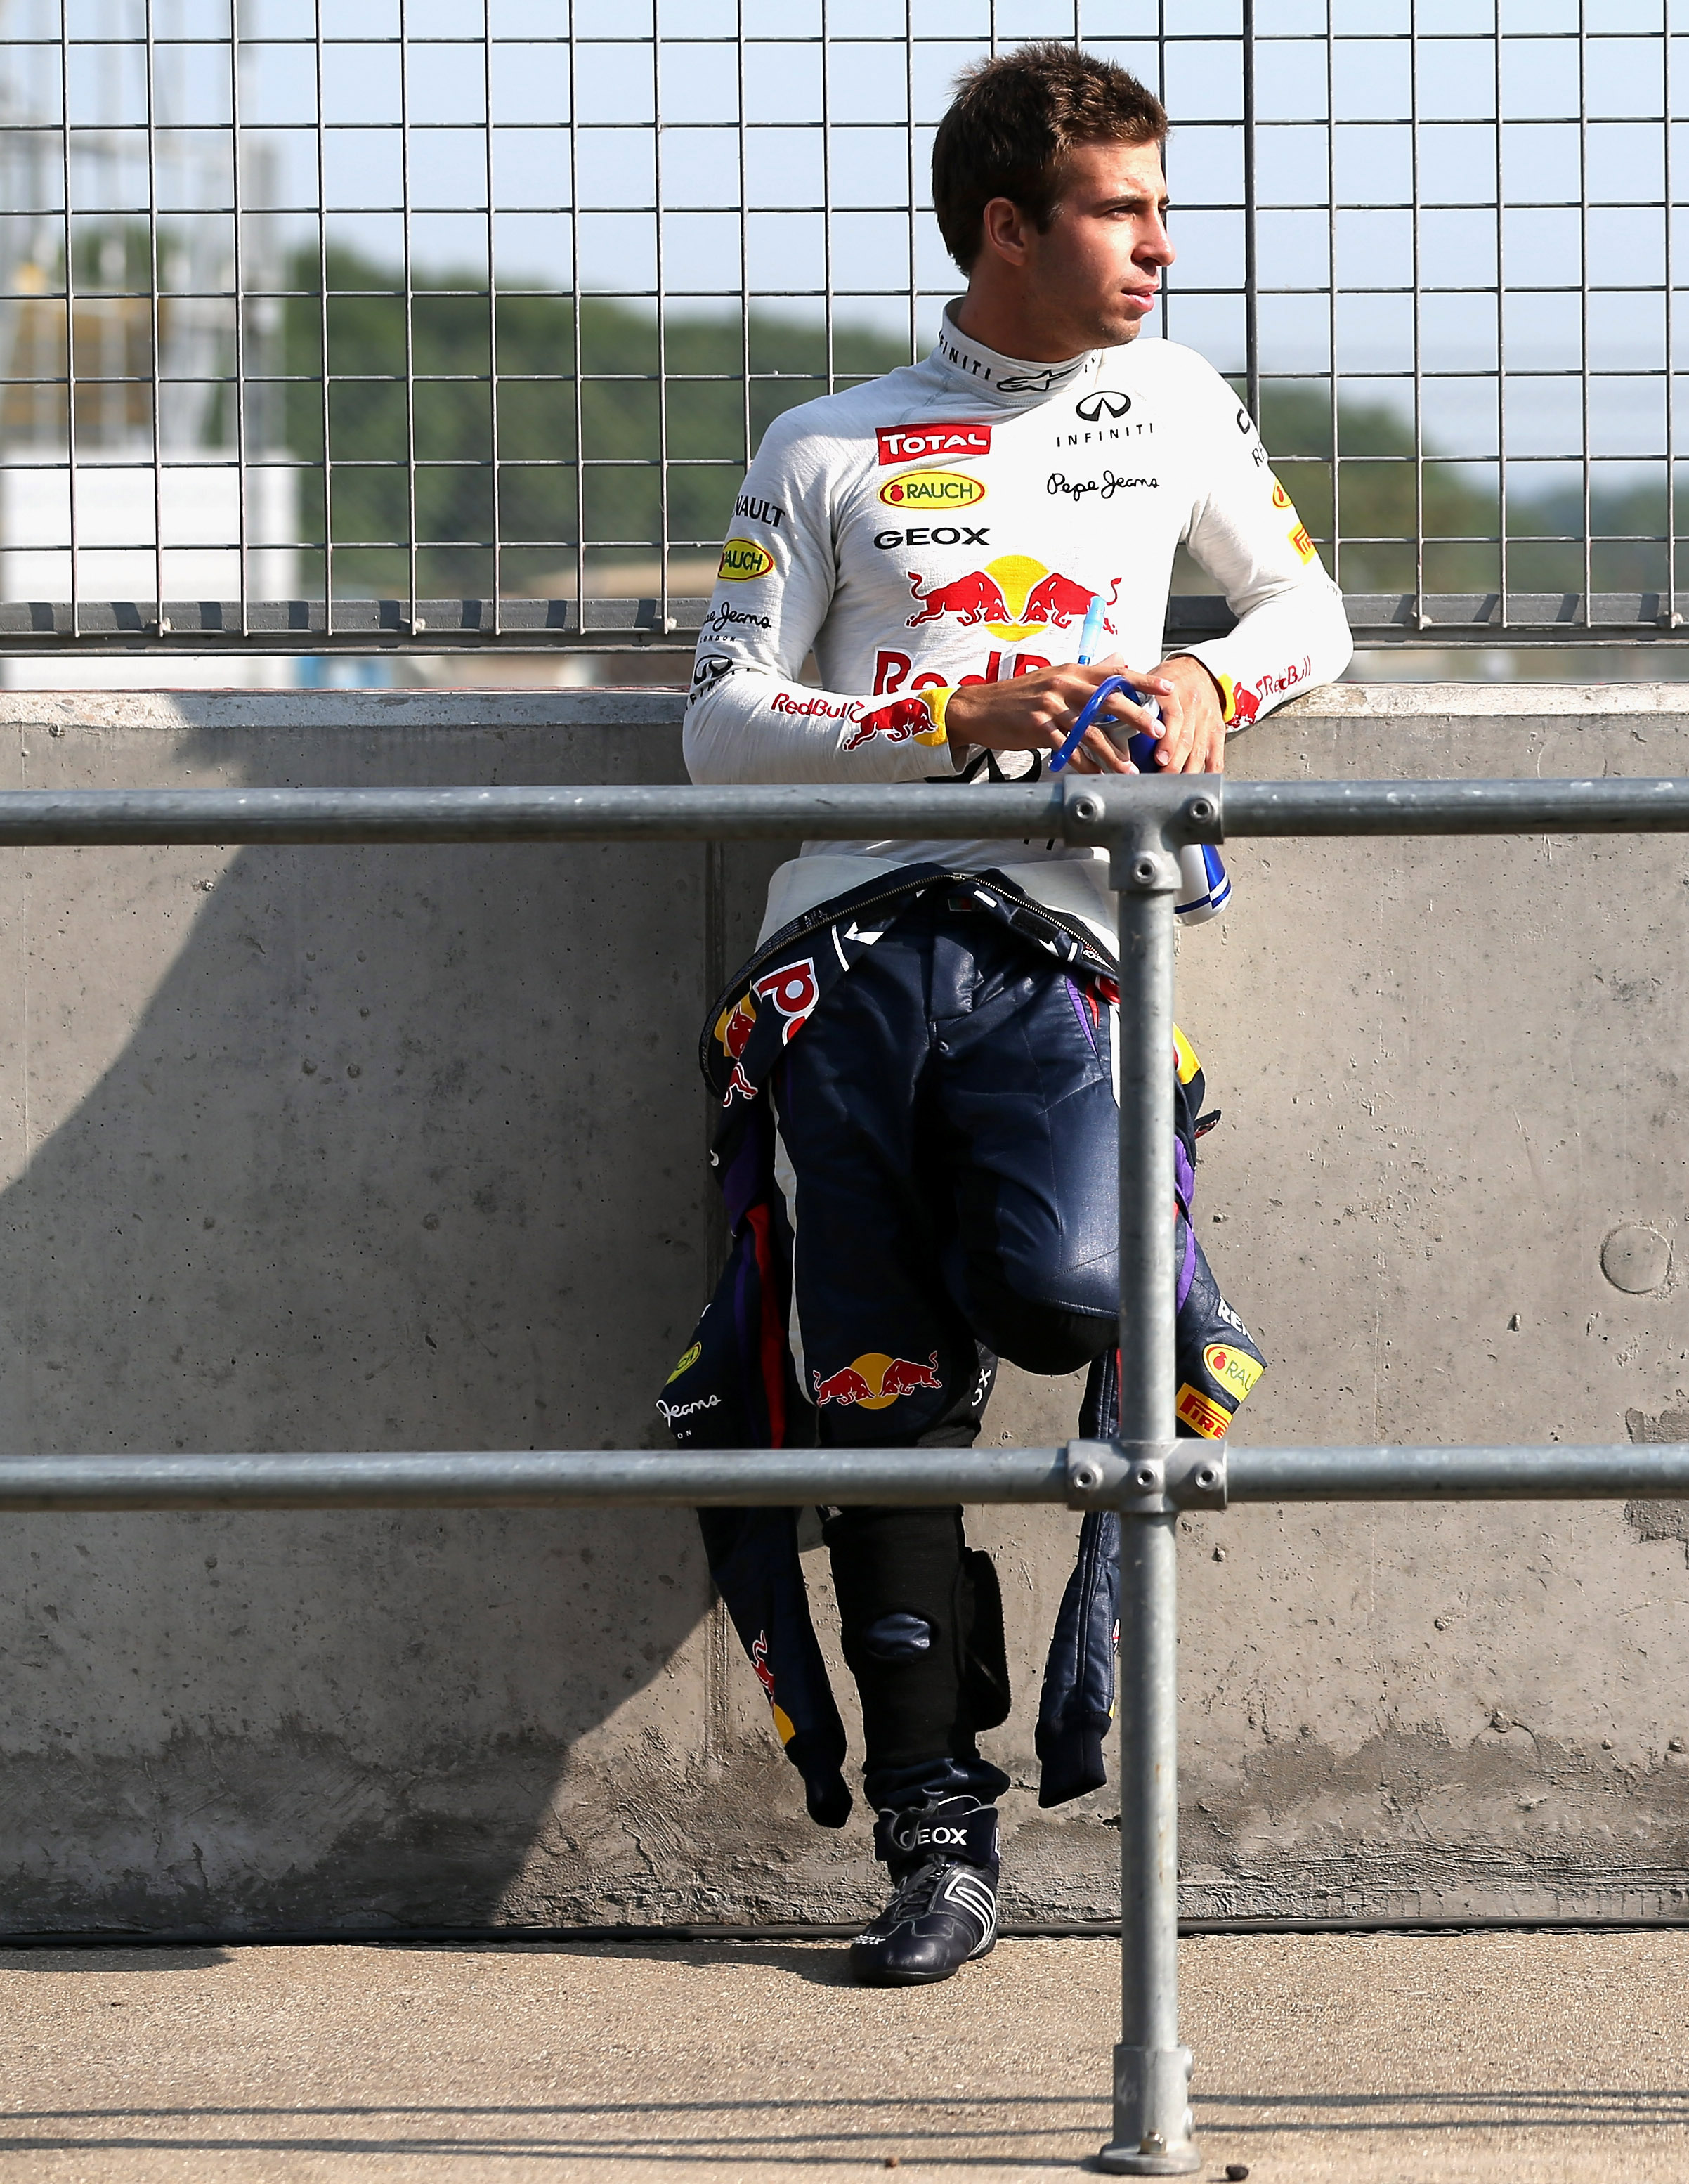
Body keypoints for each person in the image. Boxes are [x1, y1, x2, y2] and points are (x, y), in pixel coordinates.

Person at [659, 42, 1349, 1987]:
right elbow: (716, 725)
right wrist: (946, 717)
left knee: (1059, 1287)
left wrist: (1210, 685)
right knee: (879, 1398)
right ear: (1005, 230)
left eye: (1157, 207)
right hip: (842, 960)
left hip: (1067, 950)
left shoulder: (1178, 401)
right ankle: (934, 1843)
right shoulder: (825, 445)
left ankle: (972, 1311)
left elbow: (1310, 615)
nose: (1161, 246)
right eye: (1123, 212)